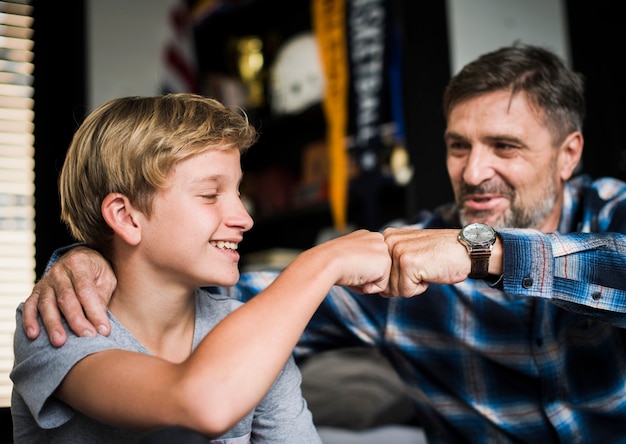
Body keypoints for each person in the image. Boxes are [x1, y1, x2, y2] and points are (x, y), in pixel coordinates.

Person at [23, 43, 626, 443]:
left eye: (505, 147)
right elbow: (213, 294)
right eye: (458, 146)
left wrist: (484, 250)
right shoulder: (404, 261)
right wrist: (83, 257)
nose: (472, 172)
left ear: (568, 152)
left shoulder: (610, 212)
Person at [10, 93, 393, 443]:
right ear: (126, 217)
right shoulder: (58, 324)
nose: (244, 218)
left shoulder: (247, 330)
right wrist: (323, 262)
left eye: (239, 192)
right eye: (210, 195)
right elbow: (200, 402)